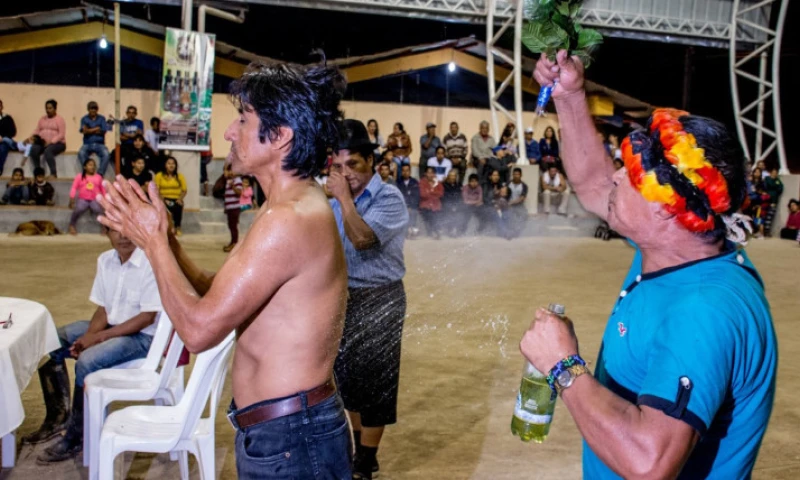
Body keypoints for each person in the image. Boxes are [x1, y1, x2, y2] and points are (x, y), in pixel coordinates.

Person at [522, 50, 777, 479]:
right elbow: (591, 182)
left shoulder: (703, 310)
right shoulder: (679, 251)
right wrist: (569, 96)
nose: (615, 176)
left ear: (667, 210)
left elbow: (649, 462)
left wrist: (562, 367)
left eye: (630, 173)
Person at [96, 60, 352, 479]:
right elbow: (218, 292)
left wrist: (154, 243)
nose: (230, 132)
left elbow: (198, 331)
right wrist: (170, 243)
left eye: (243, 119)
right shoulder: (286, 208)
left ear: (281, 136)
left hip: (291, 440)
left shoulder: (288, 220)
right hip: (287, 434)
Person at [28, 228, 162, 463]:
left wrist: (97, 339)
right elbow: (103, 309)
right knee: (51, 341)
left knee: (88, 363)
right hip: (113, 326)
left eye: (128, 230)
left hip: (142, 338)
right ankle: (58, 416)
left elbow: (146, 318)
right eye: (116, 231)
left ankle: (76, 436)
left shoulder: (150, 262)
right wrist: (87, 337)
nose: (123, 236)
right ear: (105, 232)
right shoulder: (106, 261)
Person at [327, 119, 409, 480]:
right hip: (345, 298)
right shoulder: (332, 202)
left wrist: (343, 199)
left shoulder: (389, 198)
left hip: (381, 300)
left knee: (375, 385)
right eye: (338, 167)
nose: (346, 175)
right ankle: (363, 450)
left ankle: (364, 463)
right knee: (348, 383)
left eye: (354, 165)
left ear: (370, 163)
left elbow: (363, 239)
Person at [28, 99, 66, 178]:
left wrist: (51, 142)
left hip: (58, 143)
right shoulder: (42, 119)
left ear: (55, 109)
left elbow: (61, 134)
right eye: (47, 108)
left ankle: (53, 173)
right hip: (43, 142)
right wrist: (32, 137)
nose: (48, 110)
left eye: (50, 108)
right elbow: (37, 130)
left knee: (48, 151)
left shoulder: (60, 119)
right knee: (34, 149)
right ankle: (38, 172)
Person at [68, 158, 106, 235]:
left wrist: (104, 201)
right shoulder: (79, 176)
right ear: (85, 167)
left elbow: (103, 190)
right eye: (90, 165)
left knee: (99, 210)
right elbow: (74, 187)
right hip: (83, 199)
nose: (92, 167)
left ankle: (105, 226)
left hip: (95, 199)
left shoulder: (98, 177)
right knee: (78, 209)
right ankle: (72, 225)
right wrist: (72, 198)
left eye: (94, 165)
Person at [154, 156, 187, 237]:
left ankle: (177, 227)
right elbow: (156, 190)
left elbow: (184, 190)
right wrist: (164, 199)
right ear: (165, 165)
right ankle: (164, 228)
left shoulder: (180, 176)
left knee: (179, 205)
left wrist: (180, 199)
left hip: (176, 198)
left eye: (173, 164)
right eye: (169, 163)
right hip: (163, 198)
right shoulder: (159, 176)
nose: (171, 165)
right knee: (165, 207)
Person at [78, 101, 112, 176]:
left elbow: (103, 131)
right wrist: (96, 128)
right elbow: (84, 131)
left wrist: (89, 130)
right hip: (87, 143)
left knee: (106, 154)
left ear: (97, 109)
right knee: (81, 153)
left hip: (100, 144)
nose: (93, 110)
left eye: (95, 108)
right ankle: (87, 172)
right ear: (88, 109)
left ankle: (100, 174)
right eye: (91, 108)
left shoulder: (102, 118)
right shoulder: (84, 119)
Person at [419, 166, 444, 239]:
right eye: (428, 173)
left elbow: (441, 193)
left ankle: (435, 231)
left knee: (436, 213)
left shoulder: (437, 182)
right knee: (430, 213)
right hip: (425, 206)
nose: (430, 175)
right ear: (425, 174)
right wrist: (434, 193)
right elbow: (423, 194)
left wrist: (430, 192)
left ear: (434, 174)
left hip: (436, 205)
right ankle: (435, 231)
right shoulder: (422, 182)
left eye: (432, 173)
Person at [396, 163, 420, 239]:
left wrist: (410, 206)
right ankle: (407, 231)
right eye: (403, 170)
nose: (405, 172)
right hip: (402, 206)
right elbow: (398, 196)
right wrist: (405, 206)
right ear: (401, 172)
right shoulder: (398, 182)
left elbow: (416, 196)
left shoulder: (414, 182)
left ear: (410, 172)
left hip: (412, 206)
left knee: (413, 212)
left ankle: (411, 230)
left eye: (407, 170)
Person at [223, 163, 243, 252]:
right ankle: (232, 242)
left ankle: (235, 243)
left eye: (233, 170)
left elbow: (239, 193)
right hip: (229, 207)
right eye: (229, 170)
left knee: (233, 226)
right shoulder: (228, 180)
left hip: (235, 207)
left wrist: (233, 186)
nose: (231, 172)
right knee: (230, 225)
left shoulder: (237, 180)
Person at [762, 168, 783, 237]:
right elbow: (766, 186)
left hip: (774, 201)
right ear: (770, 173)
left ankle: (767, 232)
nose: (774, 174)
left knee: (770, 217)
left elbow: (780, 188)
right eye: (773, 172)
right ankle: (761, 231)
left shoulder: (777, 180)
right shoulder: (767, 179)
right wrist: (774, 188)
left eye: (776, 173)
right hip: (765, 201)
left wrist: (774, 188)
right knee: (762, 216)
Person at [507, 167, 529, 237]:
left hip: (519, 205)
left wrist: (511, 202)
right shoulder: (508, 184)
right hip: (508, 205)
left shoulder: (524, 186)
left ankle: (520, 232)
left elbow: (522, 198)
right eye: (514, 174)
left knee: (524, 215)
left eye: (517, 174)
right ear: (512, 175)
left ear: (521, 175)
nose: (516, 176)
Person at [441, 169, 463, 237]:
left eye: (454, 176)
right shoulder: (444, 185)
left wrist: (456, 205)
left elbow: (459, 196)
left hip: (456, 204)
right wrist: (451, 206)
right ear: (448, 176)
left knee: (462, 210)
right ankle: (451, 230)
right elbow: (444, 197)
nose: (452, 177)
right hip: (446, 204)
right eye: (451, 176)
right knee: (449, 211)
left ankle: (458, 230)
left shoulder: (458, 185)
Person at [0, 98, 18, 176]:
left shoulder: (7, 118)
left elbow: (13, 132)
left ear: (2, 107)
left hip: (4, 142)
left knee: (3, 148)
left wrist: (2, 137)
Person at [482, 170, 503, 234]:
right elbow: (484, 198)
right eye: (494, 175)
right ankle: (502, 231)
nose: (496, 177)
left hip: (498, 206)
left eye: (497, 175)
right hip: (488, 206)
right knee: (495, 213)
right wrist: (493, 203)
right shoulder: (486, 185)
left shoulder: (500, 185)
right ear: (490, 177)